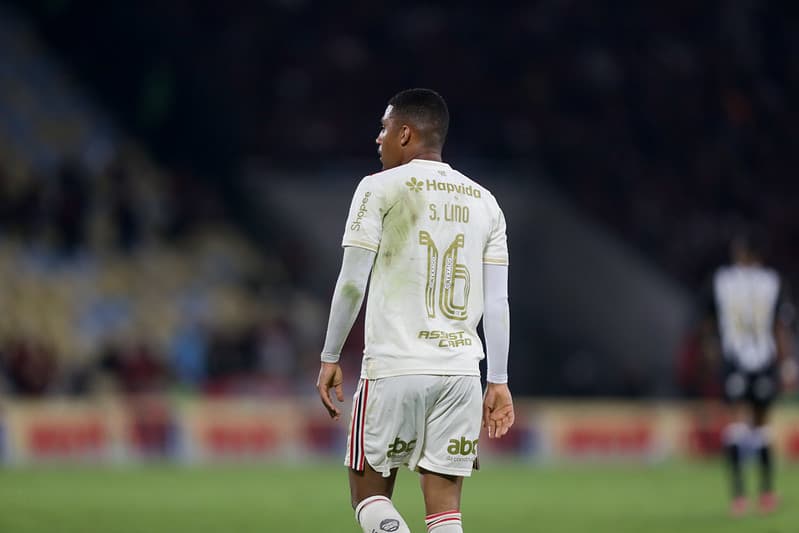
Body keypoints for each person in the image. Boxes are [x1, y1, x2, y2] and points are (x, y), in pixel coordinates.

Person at [316, 88, 514, 533]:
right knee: (445, 512)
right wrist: (498, 380)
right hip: (461, 373)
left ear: (404, 134)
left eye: (384, 128)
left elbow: (352, 282)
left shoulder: (378, 187)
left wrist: (330, 356)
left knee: (368, 498)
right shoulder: (486, 201)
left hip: (395, 366)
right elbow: (497, 302)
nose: (378, 138)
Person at [711, 230, 796, 516]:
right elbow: (781, 326)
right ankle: (766, 494)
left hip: (734, 360)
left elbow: (708, 322)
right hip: (763, 360)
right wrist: (788, 365)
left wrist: (713, 358)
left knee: (736, 425)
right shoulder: (771, 281)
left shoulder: (722, 280)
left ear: (739, 253)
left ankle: (739, 498)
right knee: (761, 426)